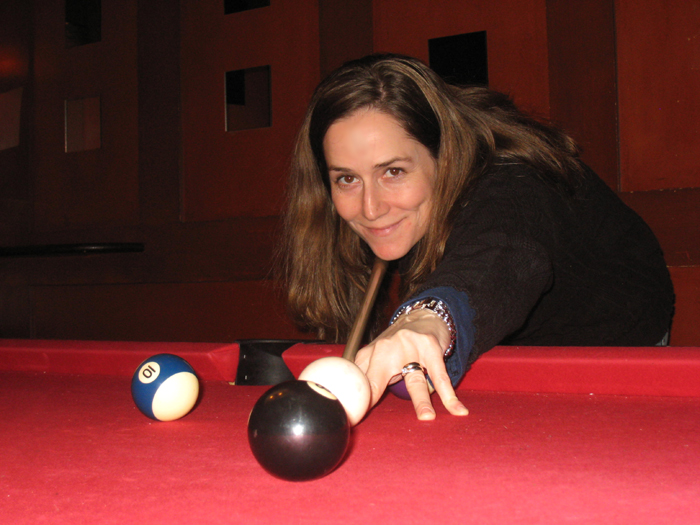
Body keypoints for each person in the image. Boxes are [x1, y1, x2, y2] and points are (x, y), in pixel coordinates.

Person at [279, 54, 675, 421]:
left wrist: (426, 320)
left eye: (393, 172)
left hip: (619, 345)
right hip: (517, 344)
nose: (370, 208)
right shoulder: (398, 206)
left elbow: (503, 251)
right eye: (347, 178)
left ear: (444, 154)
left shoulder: (512, 181)